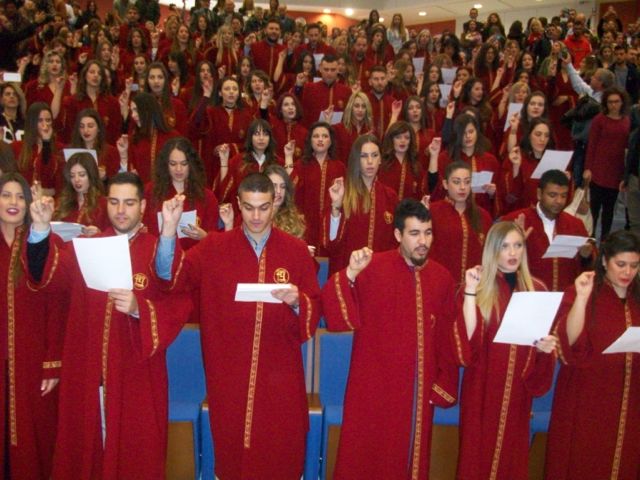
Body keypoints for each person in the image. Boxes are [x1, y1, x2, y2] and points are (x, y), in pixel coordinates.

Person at [155, 172, 321, 479]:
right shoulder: (214, 247)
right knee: (233, 449)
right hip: (229, 373)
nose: (256, 216)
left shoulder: (296, 251)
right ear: (238, 204)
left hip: (281, 374)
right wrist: (168, 230)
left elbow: (315, 307)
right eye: (249, 207)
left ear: (275, 204)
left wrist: (298, 301)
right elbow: (171, 279)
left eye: (264, 207)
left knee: (280, 449)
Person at [26, 171, 191, 478]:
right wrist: (39, 229)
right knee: (87, 455)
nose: (121, 210)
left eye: (129, 203)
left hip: (136, 375)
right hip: (88, 373)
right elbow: (48, 278)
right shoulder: (86, 247)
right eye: (114, 202)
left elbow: (174, 292)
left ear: (142, 206)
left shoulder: (155, 248)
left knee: (135, 454)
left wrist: (139, 308)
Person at [321, 198, 459, 478]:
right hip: (373, 389)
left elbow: (447, 338)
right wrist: (351, 273)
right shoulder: (373, 268)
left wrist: (442, 383)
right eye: (415, 233)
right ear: (398, 234)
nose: (423, 241)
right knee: (365, 458)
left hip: (417, 391)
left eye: (428, 233)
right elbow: (335, 314)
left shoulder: (442, 278)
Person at [455, 221, 557, 479]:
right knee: (476, 459)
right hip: (482, 389)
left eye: (518, 245)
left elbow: (540, 349)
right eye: (505, 247)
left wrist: (546, 348)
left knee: (512, 459)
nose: (513, 253)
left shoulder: (537, 290)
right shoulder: (479, 287)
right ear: (493, 250)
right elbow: (467, 343)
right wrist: (470, 292)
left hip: (517, 394)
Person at [545, 230, 640, 479]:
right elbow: (569, 344)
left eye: (634, 266)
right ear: (605, 260)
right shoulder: (584, 290)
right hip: (588, 398)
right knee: (585, 462)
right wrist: (581, 299)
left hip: (631, 400)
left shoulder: (637, 297)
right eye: (621, 264)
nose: (627, 272)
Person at [0, 172, 64, 479]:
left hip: (33, 362)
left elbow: (57, 305)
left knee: (34, 441)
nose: (13, 202)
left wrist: (52, 363)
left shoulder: (41, 242)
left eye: (20, 196)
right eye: (6, 195)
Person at [502, 169, 594, 292]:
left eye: (563, 196)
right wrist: (517, 243)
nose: (559, 201)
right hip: (527, 295)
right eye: (552, 195)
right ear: (539, 194)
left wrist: (586, 256)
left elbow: (590, 268)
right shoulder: (514, 220)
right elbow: (496, 263)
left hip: (565, 297)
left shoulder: (576, 225)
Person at [324, 134, 398, 274]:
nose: (370, 161)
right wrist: (336, 206)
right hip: (346, 271)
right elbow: (331, 243)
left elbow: (395, 243)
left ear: (380, 159)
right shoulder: (342, 191)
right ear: (356, 160)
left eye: (374, 155)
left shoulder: (390, 196)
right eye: (364, 156)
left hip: (380, 273)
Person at [143, 137, 219, 248]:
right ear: (165, 165)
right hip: (159, 252)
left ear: (191, 164)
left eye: (184, 164)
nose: (178, 169)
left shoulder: (207, 197)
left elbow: (216, 240)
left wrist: (204, 236)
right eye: (173, 164)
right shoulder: (150, 191)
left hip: (195, 255)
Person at [429, 161, 492, 285]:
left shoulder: (483, 216)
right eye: (456, 182)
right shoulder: (432, 212)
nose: (463, 187)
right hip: (439, 283)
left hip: (475, 285)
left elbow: (489, 253)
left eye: (467, 182)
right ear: (445, 184)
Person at [583, 86, 631, 239]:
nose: (613, 105)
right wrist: (588, 168)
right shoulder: (599, 120)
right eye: (610, 102)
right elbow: (592, 144)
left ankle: (604, 240)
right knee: (594, 209)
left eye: (616, 101)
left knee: (609, 210)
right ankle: (591, 239)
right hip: (598, 170)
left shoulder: (627, 121)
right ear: (606, 103)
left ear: (622, 102)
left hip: (616, 172)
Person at [292, 122, 345, 255]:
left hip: (331, 222)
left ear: (331, 141)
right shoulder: (300, 166)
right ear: (310, 140)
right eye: (316, 136)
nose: (320, 139)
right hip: (306, 223)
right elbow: (291, 193)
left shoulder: (340, 167)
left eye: (325, 136)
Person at [53, 152, 109, 234]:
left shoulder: (103, 204)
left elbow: (111, 235)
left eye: (82, 175)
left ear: (91, 175)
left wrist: (99, 234)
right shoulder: (62, 201)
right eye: (72, 176)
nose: (76, 180)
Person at [297, 55, 351, 128]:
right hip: (313, 132)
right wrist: (298, 86)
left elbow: (348, 118)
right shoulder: (309, 88)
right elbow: (297, 107)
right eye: (326, 69)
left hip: (337, 133)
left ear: (338, 70)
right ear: (320, 69)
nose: (329, 73)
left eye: (333, 70)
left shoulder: (346, 91)